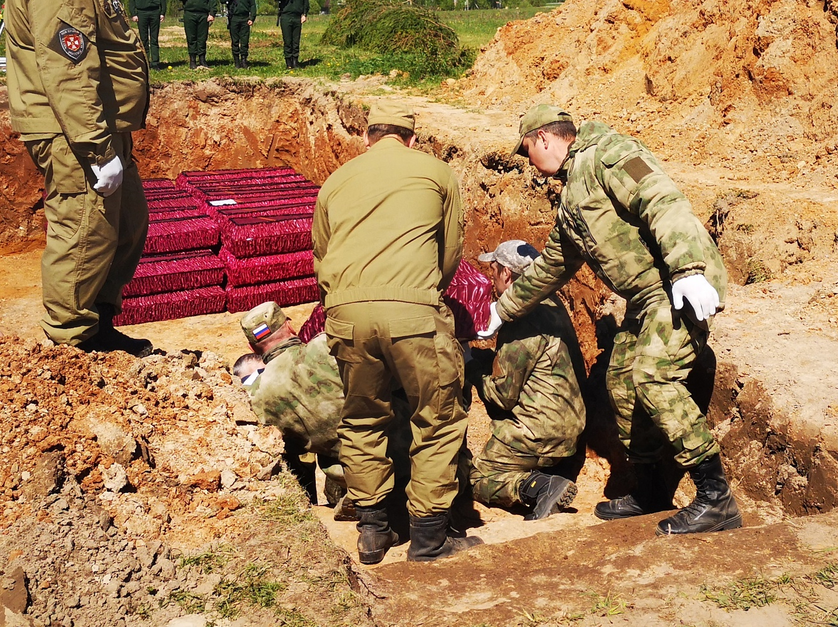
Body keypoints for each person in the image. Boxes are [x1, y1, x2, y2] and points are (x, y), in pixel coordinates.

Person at [492, 104, 741, 535]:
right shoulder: (572, 193)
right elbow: (554, 263)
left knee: (653, 376)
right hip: (646, 296)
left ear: (546, 140)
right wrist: (502, 310)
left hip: (677, 281)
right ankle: (650, 490)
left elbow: (662, 201)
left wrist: (688, 270)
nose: (530, 162)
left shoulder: (608, 155)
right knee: (622, 380)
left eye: (528, 149)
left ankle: (716, 497)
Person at [312, 100, 474, 564]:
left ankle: (373, 532)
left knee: (362, 419)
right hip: (414, 313)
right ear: (411, 140)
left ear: (367, 138)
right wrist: (424, 293)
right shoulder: (437, 174)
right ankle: (428, 537)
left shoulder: (336, 181)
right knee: (437, 419)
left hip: (347, 314)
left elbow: (321, 253)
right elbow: (450, 251)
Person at [4, 0, 154, 356]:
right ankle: (71, 348)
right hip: (76, 134)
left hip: (101, 129)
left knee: (127, 226)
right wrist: (94, 150)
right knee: (84, 235)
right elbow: (69, 73)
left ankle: (99, 327)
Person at [469, 239, 585, 521]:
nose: (491, 277)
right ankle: (547, 472)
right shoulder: (552, 304)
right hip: (572, 430)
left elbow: (503, 395)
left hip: (540, 433)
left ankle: (536, 486)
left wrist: (471, 367)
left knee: (477, 478)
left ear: (506, 274)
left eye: (494, 270)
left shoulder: (521, 321)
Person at [232, 302, 351, 516]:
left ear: (252, 348)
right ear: (291, 327)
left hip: (347, 473)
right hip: (392, 446)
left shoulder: (258, 397)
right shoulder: (327, 345)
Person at [176, 0, 217, 69]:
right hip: (189, 13)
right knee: (191, 38)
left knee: (202, 38)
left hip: (203, 14)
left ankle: (202, 60)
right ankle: (193, 60)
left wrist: (212, 13)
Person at [127, 0, 164, 69]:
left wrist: (162, 12)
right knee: (143, 39)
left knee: (154, 39)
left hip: (154, 12)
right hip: (141, 13)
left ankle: (155, 62)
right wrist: (133, 13)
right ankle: (145, 62)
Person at [273, 0, 308, 70]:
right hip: (286, 16)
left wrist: (304, 14)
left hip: (297, 17)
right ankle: (288, 63)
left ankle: (295, 62)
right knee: (288, 41)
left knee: (296, 41)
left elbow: (305, 2)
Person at [223, 0, 256, 68]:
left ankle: (244, 61)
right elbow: (222, 0)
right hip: (234, 18)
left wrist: (252, 18)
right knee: (235, 41)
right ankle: (236, 62)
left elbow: (252, 4)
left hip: (245, 18)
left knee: (245, 41)